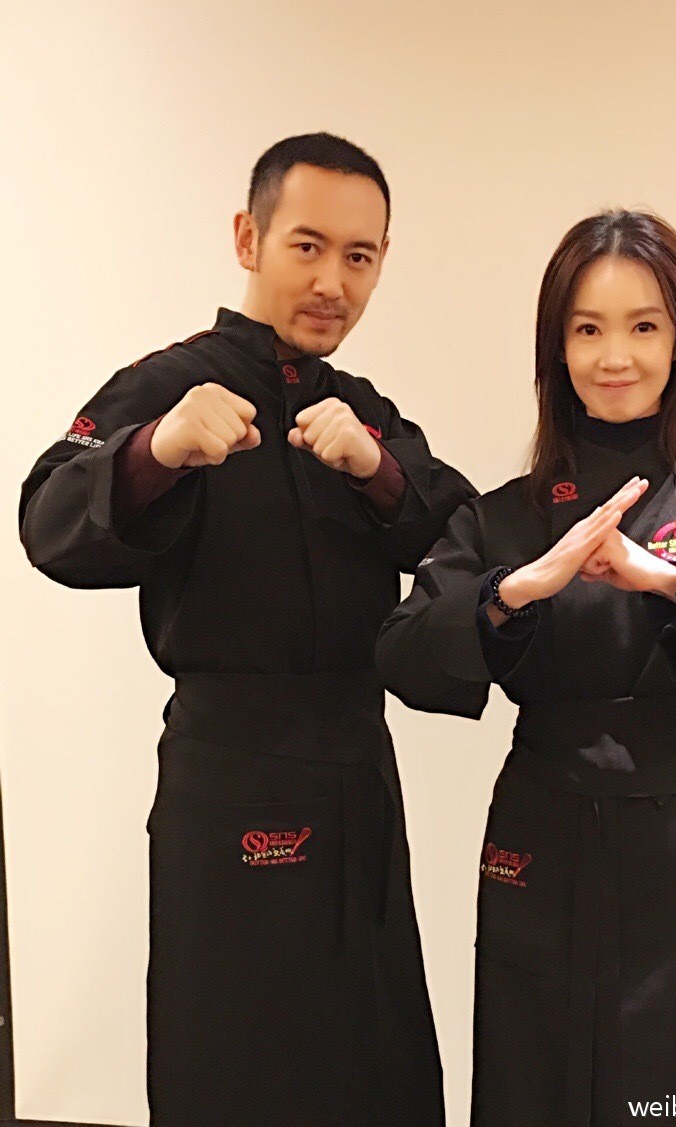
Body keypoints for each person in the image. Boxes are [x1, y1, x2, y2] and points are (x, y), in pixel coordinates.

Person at [18, 132, 475, 1126]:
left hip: (358, 773)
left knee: (379, 1056)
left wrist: (377, 470)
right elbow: (47, 521)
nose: (332, 282)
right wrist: (156, 450)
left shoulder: (363, 410)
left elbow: (465, 534)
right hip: (232, 778)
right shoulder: (168, 383)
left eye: (360, 256)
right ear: (248, 238)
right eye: (307, 245)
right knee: (237, 1062)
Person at [376, 209, 676, 1126]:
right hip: (538, 833)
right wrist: (517, 589)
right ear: (557, 349)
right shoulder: (504, 515)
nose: (615, 356)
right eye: (588, 329)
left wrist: (668, 581)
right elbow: (403, 650)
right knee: (530, 1082)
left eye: (643, 326)